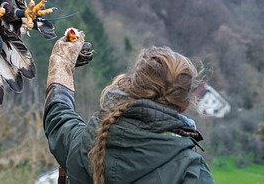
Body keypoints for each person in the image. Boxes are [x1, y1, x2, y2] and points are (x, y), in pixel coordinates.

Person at [44, 28, 214, 183]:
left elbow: (58, 118)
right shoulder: (190, 171)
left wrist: (61, 63)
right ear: (183, 106)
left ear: (132, 86)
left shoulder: (87, 144)